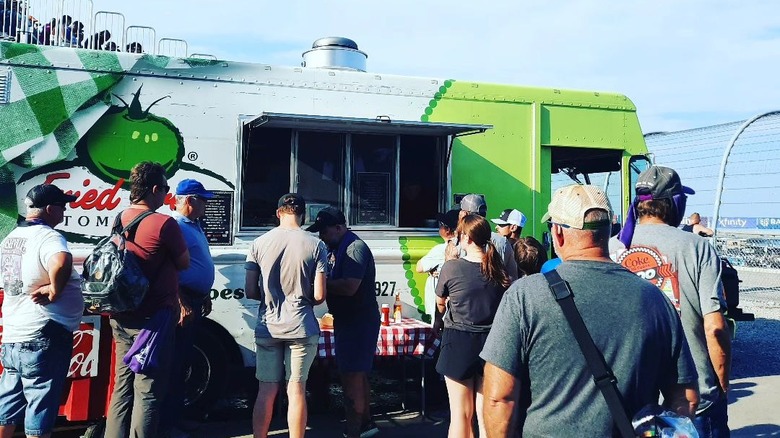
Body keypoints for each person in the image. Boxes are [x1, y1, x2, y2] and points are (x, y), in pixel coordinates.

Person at [481, 184, 698, 437]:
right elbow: (686, 399)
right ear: (608, 233)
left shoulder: (525, 296)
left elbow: (499, 398)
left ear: (558, 233)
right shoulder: (654, 299)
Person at [612, 166, 731, 437]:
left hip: (627, 395)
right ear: (674, 204)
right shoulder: (698, 248)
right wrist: (721, 384)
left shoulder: (612, 247)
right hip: (694, 398)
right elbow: (715, 327)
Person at [104, 162, 190, 438]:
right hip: (153, 321)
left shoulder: (119, 219)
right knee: (148, 390)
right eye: (165, 189)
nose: (165, 195)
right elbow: (184, 263)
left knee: (122, 387)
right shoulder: (164, 223)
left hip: (121, 314)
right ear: (154, 189)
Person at [0, 184, 83, 438]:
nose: (65, 211)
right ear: (49, 209)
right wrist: (55, 289)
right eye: (63, 206)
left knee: (8, 405)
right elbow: (61, 261)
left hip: (14, 334)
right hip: (42, 334)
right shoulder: (48, 236)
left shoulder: (10, 238)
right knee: (41, 405)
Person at [245, 194, 327, 438]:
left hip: (268, 326)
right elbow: (320, 295)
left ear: (279, 212)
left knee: (266, 390)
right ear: (302, 215)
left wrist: (272, 299)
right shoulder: (316, 245)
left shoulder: (258, 243)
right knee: (296, 390)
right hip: (301, 326)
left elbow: (250, 290)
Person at [306, 207, 380, 438]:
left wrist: (318, 285)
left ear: (339, 227)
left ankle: (354, 429)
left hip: (358, 320)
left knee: (351, 375)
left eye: (324, 231)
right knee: (357, 373)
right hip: (349, 319)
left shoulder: (354, 248)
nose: (321, 237)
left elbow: (350, 286)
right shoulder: (336, 247)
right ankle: (366, 424)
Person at [435, 213, 511, 438]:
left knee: (460, 415)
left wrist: (441, 316)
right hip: (493, 344)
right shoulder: (498, 269)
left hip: (459, 341)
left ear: (466, 238)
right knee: (485, 414)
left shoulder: (452, 267)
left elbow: (440, 302)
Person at [160, 179, 216, 437]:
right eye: (203, 200)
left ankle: (176, 418)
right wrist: (181, 300)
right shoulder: (178, 227)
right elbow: (168, 268)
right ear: (190, 200)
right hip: (183, 302)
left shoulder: (193, 226)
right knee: (173, 365)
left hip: (194, 299)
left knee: (182, 363)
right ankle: (167, 425)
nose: (206, 205)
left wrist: (203, 294)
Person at [458, 194, 519, 280]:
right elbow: (512, 276)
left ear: (464, 214)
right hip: (497, 292)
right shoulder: (501, 241)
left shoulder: (462, 240)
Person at [416, 208, 459, 326]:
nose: (439, 227)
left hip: (442, 308)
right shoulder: (464, 247)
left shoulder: (441, 249)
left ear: (447, 230)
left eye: (441, 225)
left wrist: (430, 271)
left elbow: (419, 267)